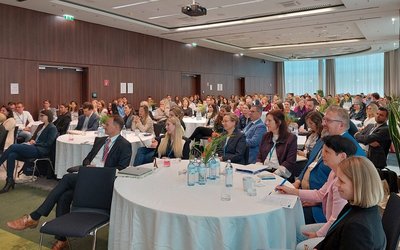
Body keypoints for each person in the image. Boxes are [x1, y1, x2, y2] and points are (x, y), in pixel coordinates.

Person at [6, 115, 132, 249]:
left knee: (66, 178)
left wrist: (98, 170)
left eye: (107, 124)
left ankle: (34, 217)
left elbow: (121, 169)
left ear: (116, 127)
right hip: (87, 176)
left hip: (102, 181)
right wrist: (88, 165)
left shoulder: (124, 145)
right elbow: (86, 159)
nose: (104, 126)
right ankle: (62, 239)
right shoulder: (100, 140)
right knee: (64, 197)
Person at [277, 135, 357, 250]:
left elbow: (335, 219)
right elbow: (320, 194)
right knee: (295, 232)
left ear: (342, 156)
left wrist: (318, 234)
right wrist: (291, 191)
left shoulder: (341, 185)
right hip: (332, 225)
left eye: (327, 152)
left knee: (299, 244)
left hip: (335, 230)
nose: (323, 155)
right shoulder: (334, 173)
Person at [295, 105, 366, 224]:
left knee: (291, 220)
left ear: (341, 125)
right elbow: (311, 162)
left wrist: (319, 201)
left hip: (323, 207)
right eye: (324, 119)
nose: (323, 123)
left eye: (328, 120)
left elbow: (352, 192)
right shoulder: (327, 139)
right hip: (309, 193)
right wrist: (298, 181)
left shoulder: (351, 150)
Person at [314, 157, 386, 249]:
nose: (336, 184)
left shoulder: (357, 228)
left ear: (358, 185)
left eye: (341, 181)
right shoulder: (356, 206)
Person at [0, 110, 57, 193]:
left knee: (13, 147)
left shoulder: (52, 128)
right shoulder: (41, 126)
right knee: (11, 155)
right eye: (40, 115)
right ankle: (9, 181)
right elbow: (33, 137)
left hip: (40, 150)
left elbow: (48, 143)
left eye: (42, 116)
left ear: (48, 116)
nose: (40, 117)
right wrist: (30, 142)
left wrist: (35, 143)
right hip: (32, 147)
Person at [256, 110, 298, 180]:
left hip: (280, 174)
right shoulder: (266, 136)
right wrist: (259, 168)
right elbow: (260, 156)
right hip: (264, 171)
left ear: (279, 122)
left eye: (269, 121)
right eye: (266, 120)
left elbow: (290, 162)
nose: (266, 123)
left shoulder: (291, 138)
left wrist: (274, 174)